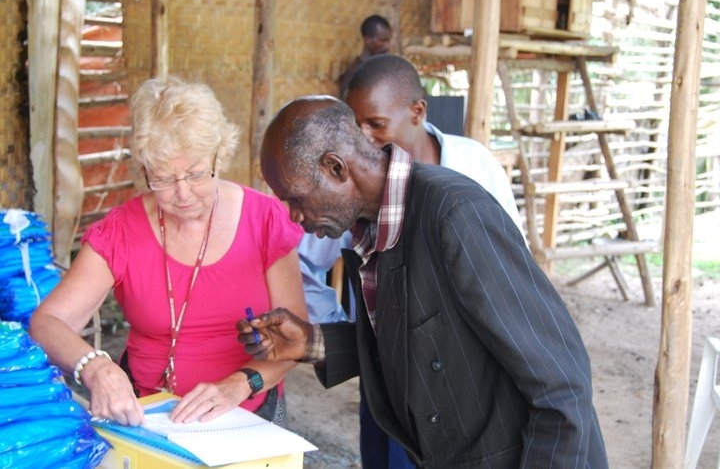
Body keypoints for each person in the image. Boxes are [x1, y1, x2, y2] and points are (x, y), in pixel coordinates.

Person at [238, 96, 609, 468]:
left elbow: (561, 381)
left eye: (296, 198)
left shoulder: (456, 215)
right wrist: (311, 341)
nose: (294, 216)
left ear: (336, 168)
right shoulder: (371, 232)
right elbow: (416, 344)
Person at [29, 77, 307, 428]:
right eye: (162, 179)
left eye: (196, 174)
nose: (183, 194)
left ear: (219, 157)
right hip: (146, 415)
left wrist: (238, 385)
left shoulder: (265, 220)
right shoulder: (121, 231)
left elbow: (298, 341)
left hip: (246, 412)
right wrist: (95, 367)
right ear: (144, 170)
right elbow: (47, 323)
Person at [298, 53, 526, 468]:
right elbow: (303, 260)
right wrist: (340, 329)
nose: (364, 139)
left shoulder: (473, 167)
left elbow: (513, 266)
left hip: (469, 375)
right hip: (392, 377)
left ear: (417, 112)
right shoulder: (351, 181)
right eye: (355, 126)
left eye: (376, 124)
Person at [337, 14, 392, 98]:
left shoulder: (383, 69)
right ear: (367, 40)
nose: (387, 46)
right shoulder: (355, 74)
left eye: (388, 41)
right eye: (382, 40)